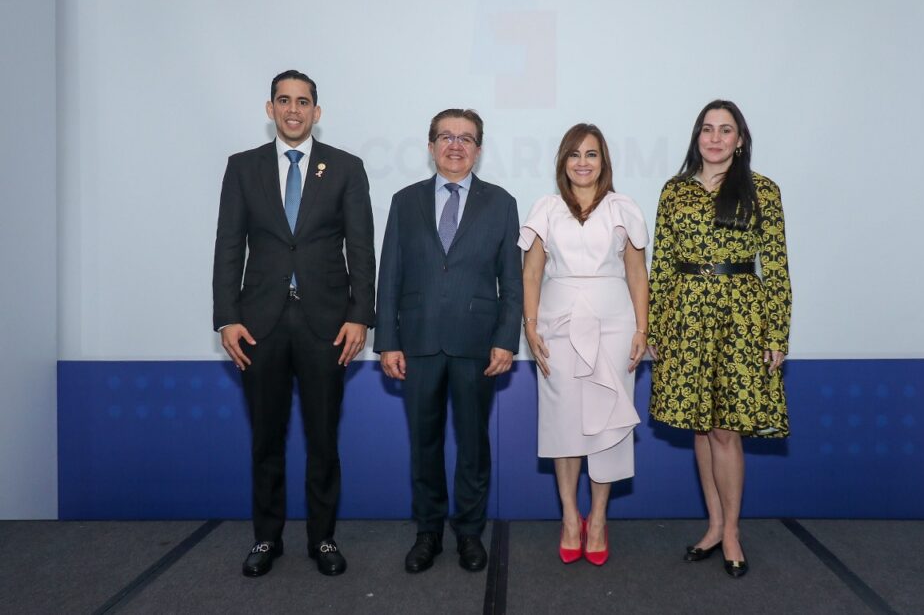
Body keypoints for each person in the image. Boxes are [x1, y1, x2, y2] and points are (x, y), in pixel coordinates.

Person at [213, 70, 376, 577]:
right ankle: (266, 538)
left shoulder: (346, 168)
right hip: (258, 325)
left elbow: (362, 248)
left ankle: (323, 539)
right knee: (267, 438)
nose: (293, 109)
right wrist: (227, 318)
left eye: (303, 102)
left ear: (316, 113)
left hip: (326, 325)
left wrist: (360, 316)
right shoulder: (243, 167)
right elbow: (228, 245)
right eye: (284, 100)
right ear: (270, 109)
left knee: (323, 438)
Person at [374, 109, 522, 574]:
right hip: (416, 343)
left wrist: (506, 339)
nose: (455, 145)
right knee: (424, 444)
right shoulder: (404, 201)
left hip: (477, 344)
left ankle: (470, 533)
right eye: (445, 137)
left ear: (478, 149)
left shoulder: (502, 203)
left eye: (466, 138)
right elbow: (389, 274)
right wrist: (387, 341)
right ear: (431, 145)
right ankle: (428, 533)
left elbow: (511, 281)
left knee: (473, 445)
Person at [647, 100, 791, 578]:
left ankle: (731, 531)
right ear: (697, 137)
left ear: (740, 139)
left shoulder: (762, 190)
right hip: (686, 314)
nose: (715, 138)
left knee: (726, 429)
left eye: (725, 130)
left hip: (741, 315)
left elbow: (776, 266)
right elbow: (662, 265)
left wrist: (777, 331)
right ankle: (712, 526)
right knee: (699, 425)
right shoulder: (675, 191)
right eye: (707, 129)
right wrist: (653, 327)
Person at [519, 124, 649, 566]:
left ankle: (598, 520)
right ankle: (570, 518)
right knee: (564, 424)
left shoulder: (622, 207)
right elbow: (531, 272)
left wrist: (642, 329)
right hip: (556, 326)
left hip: (614, 325)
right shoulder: (546, 208)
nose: (582, 162)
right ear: (563, 161)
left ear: (603, 161)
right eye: (574, 154)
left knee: (606, 419)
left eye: (591, 154)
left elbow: (637, 273)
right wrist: (529, 325)